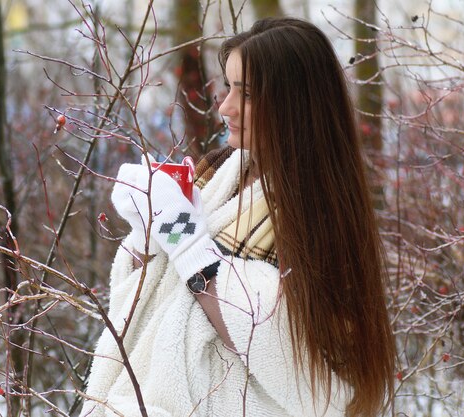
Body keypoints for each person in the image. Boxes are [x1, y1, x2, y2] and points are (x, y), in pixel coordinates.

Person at [79, 16, 396, 417]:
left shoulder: (318, 208)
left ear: (295, 103)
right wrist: (149, 228)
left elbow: (293, 352)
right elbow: (155, 286)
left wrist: (184, 239)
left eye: (245, 94)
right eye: (228, 87)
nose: (225, 106)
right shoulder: (221, 168)